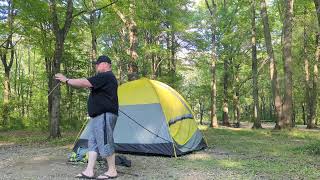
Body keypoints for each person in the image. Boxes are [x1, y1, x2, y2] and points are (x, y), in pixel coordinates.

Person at [55, 55, 119, 179]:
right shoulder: (104, 79)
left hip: (104, 115)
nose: (96, 66)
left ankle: (112, 170)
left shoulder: (106, 76)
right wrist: (71, 82)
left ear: (105, 64)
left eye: (98, 64)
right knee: (93, 143)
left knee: (105, 141)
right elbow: (86, 85)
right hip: (97, 117)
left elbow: (83, 82)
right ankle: (89, 170)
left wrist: (66, 80)